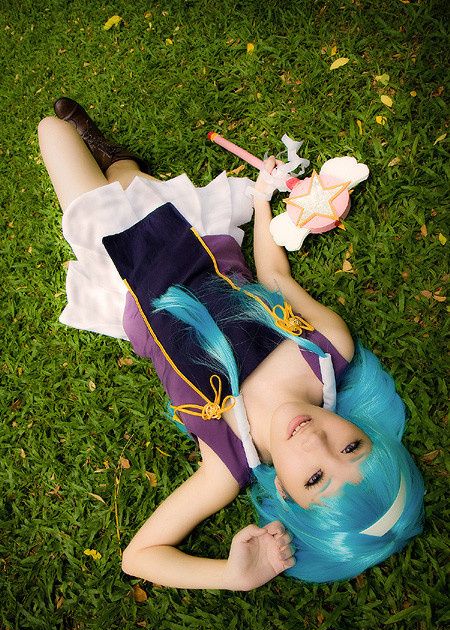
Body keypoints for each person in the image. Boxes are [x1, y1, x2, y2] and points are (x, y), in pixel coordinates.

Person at [38, 99, 425, 592]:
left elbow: (139, 557)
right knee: (129, 180)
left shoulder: (228, 461)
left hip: (128, 268)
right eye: (352, 447)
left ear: (284, 493)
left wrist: (234, 575)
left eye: (314, 479)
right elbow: (276, 277)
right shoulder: (329, 351)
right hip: (198, 239)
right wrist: (261, 204)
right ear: (367, 431)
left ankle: (111, 160)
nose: (315, 442)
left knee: (52, 131)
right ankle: (117, 160)